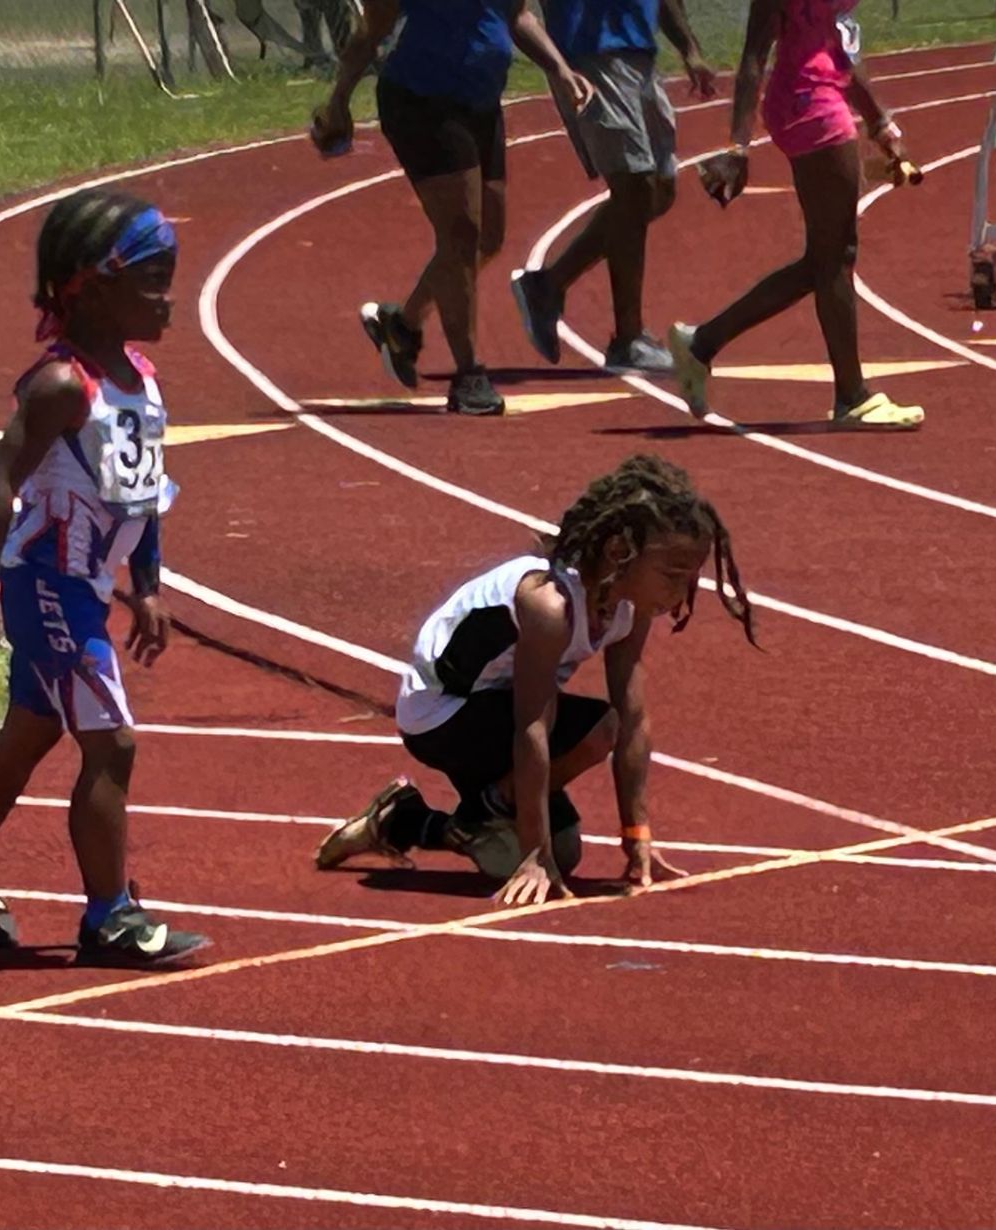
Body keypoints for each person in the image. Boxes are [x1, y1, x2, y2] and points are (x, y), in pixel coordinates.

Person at [0, 190, 208, 965]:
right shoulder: (59, 386)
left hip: (84, 586)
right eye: (152, 279)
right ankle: (108, 917)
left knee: (30, 733)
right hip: (45, 582)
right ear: (91, 285)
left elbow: (145, 495)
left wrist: (146, 585)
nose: (169, 297)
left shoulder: (140, 380)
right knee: (111, 744)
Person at [314, 454, 756, 904]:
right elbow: (533, 725)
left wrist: (636, 833)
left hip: (499, 714)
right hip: (441, 715)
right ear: (620, 553)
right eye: (671, 576)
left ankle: (402, 821)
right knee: (592, 740)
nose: (680, 594)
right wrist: (533, 853)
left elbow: (634, 713)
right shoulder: (549, 603)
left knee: (563, 853)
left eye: (690, 578)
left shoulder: (627, 608)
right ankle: (486, 812)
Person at [310, 0, 594, 415]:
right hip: (422, 101)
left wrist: (560, 69)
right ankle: (469, 376)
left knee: (489, 237)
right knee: (461, 236)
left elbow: (518, 16)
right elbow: (372, 31)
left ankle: (401, 326)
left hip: (481, 101)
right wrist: (339, 101)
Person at [668, 0, 924, 430]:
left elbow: (842, 46)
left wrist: (881, 123)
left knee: (824, 260)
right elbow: (753, 58)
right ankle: (852, 396)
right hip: (809, 106)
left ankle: (702, 344)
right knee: (836, 257)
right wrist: (738, 148)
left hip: (818, 97)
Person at [511, 0, 718, 374]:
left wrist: (689, 48)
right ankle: (628, 337)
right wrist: (557, 65)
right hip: (590, 54)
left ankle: (550, 285)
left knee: (659, 190)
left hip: (639, 55)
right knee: (634, 189)